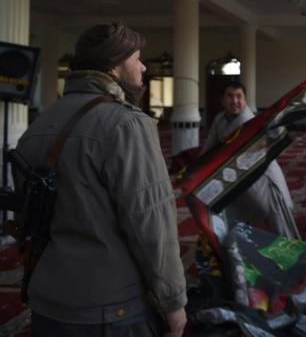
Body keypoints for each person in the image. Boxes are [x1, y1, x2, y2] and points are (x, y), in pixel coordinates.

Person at [16, 23, 186, 337]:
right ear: (114, 66)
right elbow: (152, 223)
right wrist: (173, 303)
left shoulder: (38, 125)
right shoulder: (126, 125)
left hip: (47, 299)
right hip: (112, 309)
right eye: (137, 59)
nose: (144, 67)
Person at [203, 81, 300, 239]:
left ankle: (295, 257)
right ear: (222, 100)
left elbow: (276, 134)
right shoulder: (219, 119)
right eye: (230, 96)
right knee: (236, 220)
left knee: (280, 225)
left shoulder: (251, 121)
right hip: (236, 179)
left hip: (263, 178)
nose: (235, 101)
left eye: (239, 96)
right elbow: (209, 148)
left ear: (245, 100)